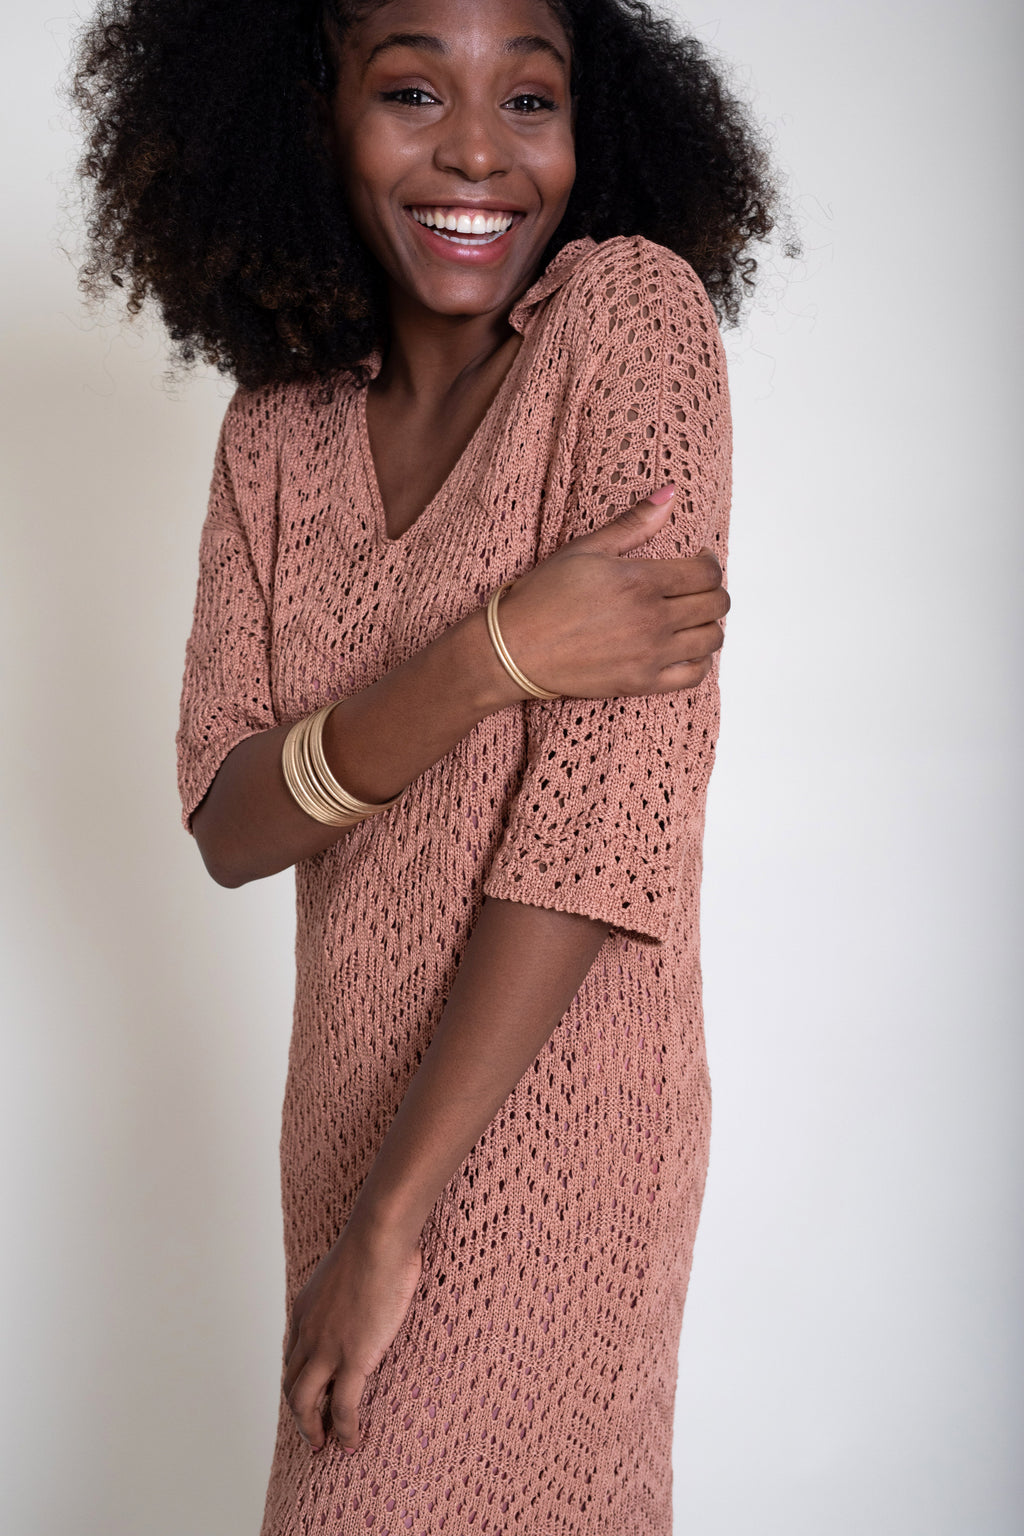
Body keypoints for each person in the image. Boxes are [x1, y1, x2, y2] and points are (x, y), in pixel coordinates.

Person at [72, 0, 782, 1529]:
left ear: (591, 126)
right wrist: (489, 657)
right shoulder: (275, 434)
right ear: (311, 116)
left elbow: (601, 835)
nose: (475, 150)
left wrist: (396, 1222)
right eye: (410, 91)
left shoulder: (629, 321)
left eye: (529, 98)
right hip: (340, 1122)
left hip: (555, 1124)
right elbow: (231, 820)